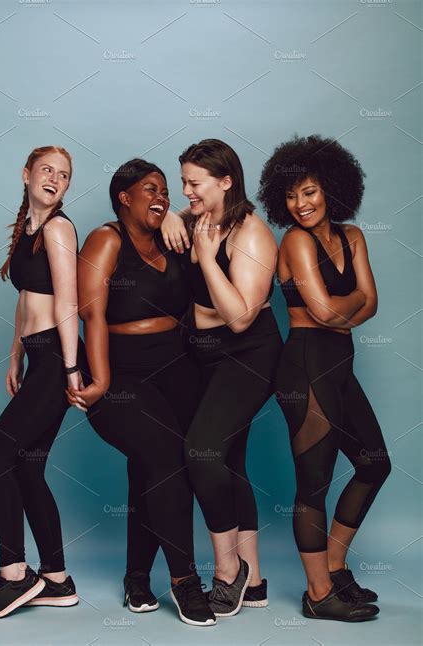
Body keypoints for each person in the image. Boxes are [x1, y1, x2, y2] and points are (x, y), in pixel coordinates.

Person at [67, 159, 216, 627]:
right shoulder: (105, 238)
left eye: (167, 190)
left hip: (177, 366)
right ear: (123, 198)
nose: (163, 195)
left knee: (157, 469)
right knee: (164, 459)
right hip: (121, 373)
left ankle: (136, 578)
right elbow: (90, 314)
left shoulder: (172, 236)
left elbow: (213, 211)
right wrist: (102, 379)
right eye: (150, 189)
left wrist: (171, 214)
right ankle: (185, 581)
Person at [257, 134, 391, 621]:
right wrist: (350, 304)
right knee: (313, 482)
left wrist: (345, 309)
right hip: (304, 365)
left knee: (374, 463)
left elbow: (367, 306)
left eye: (309, 192)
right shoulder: (294, 239)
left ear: (332, 188)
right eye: (291, 196)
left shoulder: (353, 236)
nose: (300, 204)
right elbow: (323, 309)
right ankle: (317, 595)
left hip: (339, 362)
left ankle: (334, 568)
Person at [161, 139, 283, 616]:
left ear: (226, 181)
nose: (185, 191)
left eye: (194, 183)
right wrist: (172, 214)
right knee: (229, 462)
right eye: (183, 182)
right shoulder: (193, 220)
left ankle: (229, 572)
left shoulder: (251, 234)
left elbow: (239, 319)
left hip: (248, 353)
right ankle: (256, 583)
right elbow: (167, 214)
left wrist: (208, 258)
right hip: (203, 355)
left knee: (202, 451)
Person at [0, 146, 84, 618]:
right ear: (27, 175)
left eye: (63, 174)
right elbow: (26, 300)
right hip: (37, 358)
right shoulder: (27, 229)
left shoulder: (59, 228)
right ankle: (56, 580)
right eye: (47, 170)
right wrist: (15, 356)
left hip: (58, 359)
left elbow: (66, 302)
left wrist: (73, 370)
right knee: (28, 467)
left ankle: (14, 575)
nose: (55, 179)